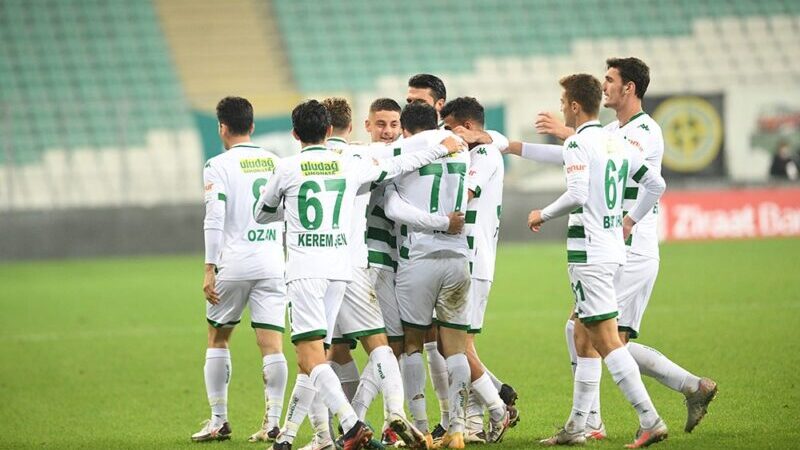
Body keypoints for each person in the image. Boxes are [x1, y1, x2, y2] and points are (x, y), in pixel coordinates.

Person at [511, 57, 717, 438]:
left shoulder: (643, 132)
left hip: (627, 248)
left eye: (610, 80)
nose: (605, 86)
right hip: (618, 246)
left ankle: (600, 422)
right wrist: (519, 145)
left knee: (595, 336)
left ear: (629, 88)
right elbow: (581, 153)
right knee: (592, 334)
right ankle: (687, 387)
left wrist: (630, 220)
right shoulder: (611, 132)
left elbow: (592, 163)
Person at [255, 99, 463, 450]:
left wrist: (290, 213)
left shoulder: (287, 168)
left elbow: (262, 214)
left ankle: (348, 424)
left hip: (306, 271)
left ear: (294, 134)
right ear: (330, 130)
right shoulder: (350, 164)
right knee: (368, 345)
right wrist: (441, 148)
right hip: (344, 269)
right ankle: (299, 435)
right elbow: (399, 163)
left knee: (311, 356)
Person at [526, 74, 668, 448]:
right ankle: (578, 426)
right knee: (582, 333)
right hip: (614, 248)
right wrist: (628, 219)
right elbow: (656, 185)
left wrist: (543, 213)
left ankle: (650, 419)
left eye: (562, 102)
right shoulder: (614, 141)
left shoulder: (579, 142)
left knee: (606, 340)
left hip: (588, 252)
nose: (560, 108)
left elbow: (575, 193)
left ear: (574, 106)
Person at [405, 74, 517, 444]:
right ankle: (474, 413)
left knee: (458, 345)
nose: (414, 105)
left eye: (420, 100)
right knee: (444, 342)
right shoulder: (462, 146)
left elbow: (461, 195)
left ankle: (498, 407)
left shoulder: (479, 152)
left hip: (470, 257)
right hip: (455, 257)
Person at [192, 97, 288, 443]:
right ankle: (273, 423)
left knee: (218, 338)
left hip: (233, 263)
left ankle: (219, 420)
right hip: (273, 263)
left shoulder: (217, 165)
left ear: (222, 127)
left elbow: (215, 215)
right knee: (272, 344)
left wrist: (209, 267)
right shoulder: (276, 161)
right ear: (252, 125)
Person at [383, 101, 473, 449]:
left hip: (418, 258)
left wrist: (436, 223)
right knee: (456, 349)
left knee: (412, 345)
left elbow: (394, 209)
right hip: (457, 257)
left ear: (404, 128)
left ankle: (421, 428)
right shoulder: (460, 148)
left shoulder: (400, 150)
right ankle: (458, 429)